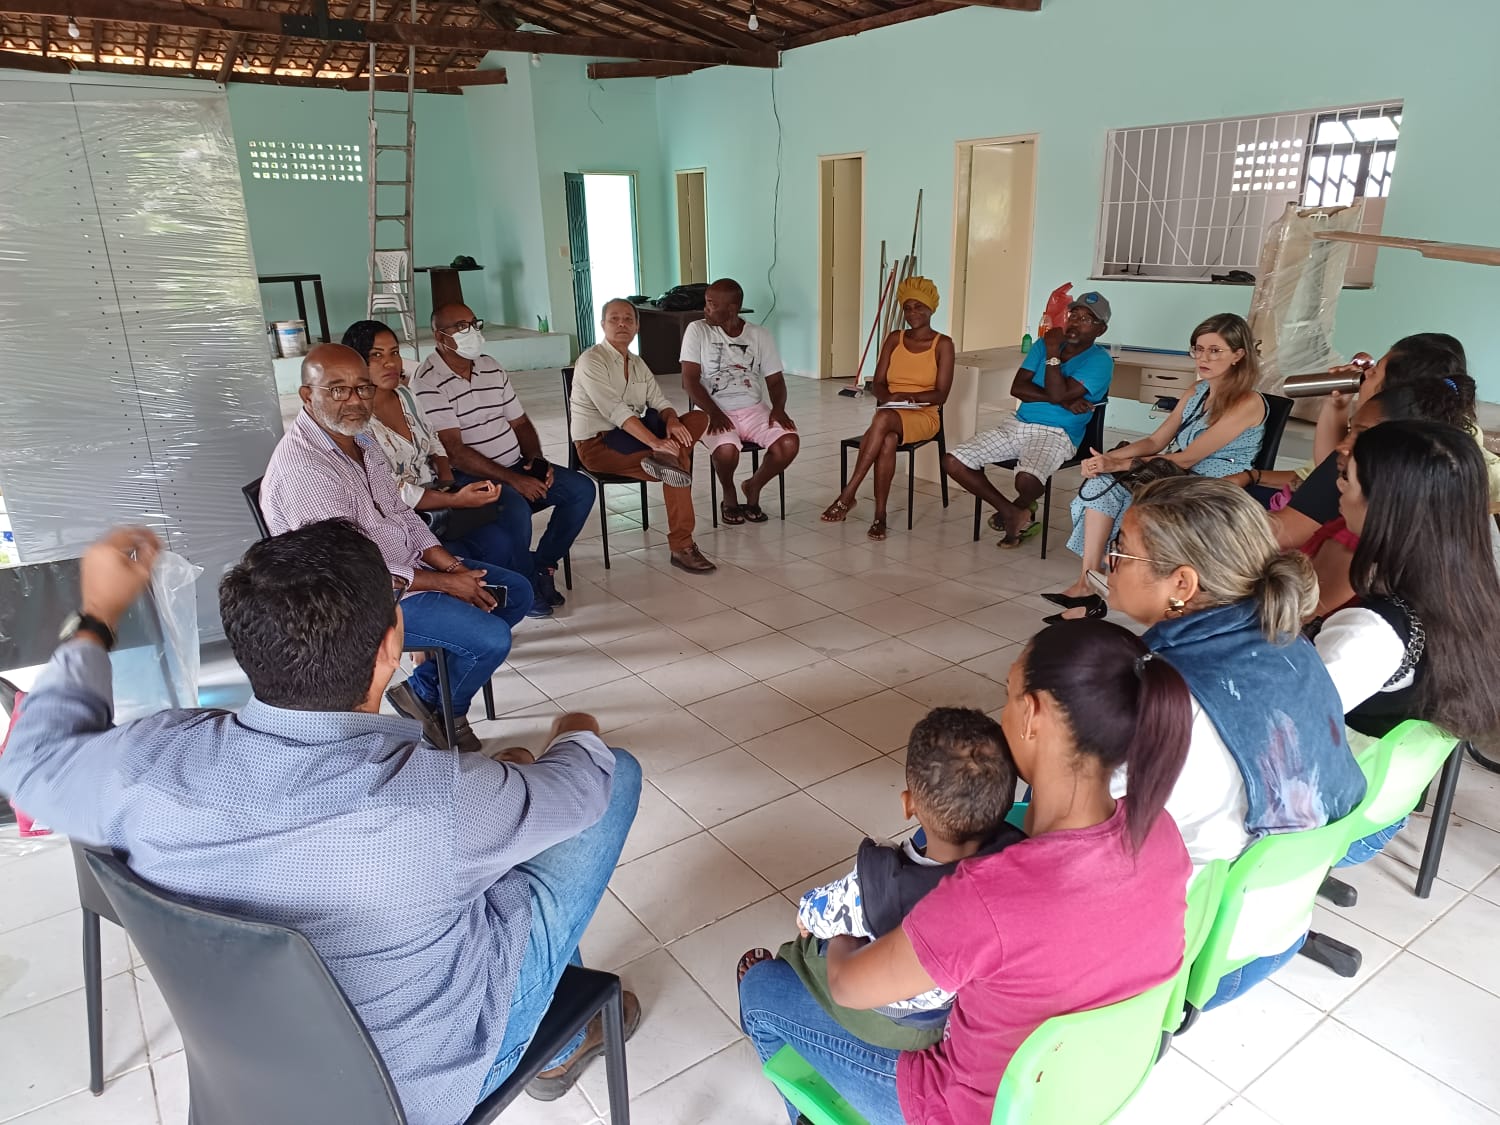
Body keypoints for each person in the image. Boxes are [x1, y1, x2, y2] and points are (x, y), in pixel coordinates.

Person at [0, 519, 642, 1125]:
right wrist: (577, 733)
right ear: (392, 643)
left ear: (248, 649)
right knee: (615, 777)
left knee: (496, 820)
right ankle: (557, 1052)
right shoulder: (441, 800)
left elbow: (28, 762)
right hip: (422, 1091)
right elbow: (583, 791)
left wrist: (98, 615)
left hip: (249, 1073)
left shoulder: (149, 762)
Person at [738, 619, 1192, 1125]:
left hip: (964, 1110)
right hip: (1085, 1092)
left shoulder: (989, 894)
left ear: (1032, 714)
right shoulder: (1162, 833)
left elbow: (846, 986)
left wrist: (845, 926)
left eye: (1008, 695)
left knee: (761, 988)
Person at [1103, 477, 1367, 1007]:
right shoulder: (1290, 642)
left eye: (1121, 551)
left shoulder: (1164, 696)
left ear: (1181, 583)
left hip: (1188, 952)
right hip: (1277, 928)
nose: (1110, 563)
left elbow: (1084, 832)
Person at [260, 343, 532, 752]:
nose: (355, 400)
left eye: (363, 388)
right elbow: (350, 571)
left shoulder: (361, 439)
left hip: (404, 570)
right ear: (307, 395)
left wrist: (451, 567)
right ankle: (447, 709)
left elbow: (401, 513)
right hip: (356, 600)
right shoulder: (307, 470)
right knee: (490, 638)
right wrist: (444, 584)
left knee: (516, 592)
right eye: (338, 389)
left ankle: (424, 693)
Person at [738, 708, 1024, 1051]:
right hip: (956, 1010)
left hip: (899, 1023)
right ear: (1005, 801)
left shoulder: (881, 884)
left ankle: (778, 995)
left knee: (805, 949)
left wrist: (807, 913)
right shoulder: (1017, 857)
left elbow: (820, 911)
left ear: (909, 804)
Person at [1048, 313, 1267, 621]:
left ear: (1238, 354)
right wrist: (1110, 459)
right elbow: (1156, 440)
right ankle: (1089, 581)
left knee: (1127, 491)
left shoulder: (1248, 402)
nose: (1203, 358)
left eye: (1215, 350)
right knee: (1100, 483)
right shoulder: (1197, 391)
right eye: (1198, 349)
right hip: (1176, 472)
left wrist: (1122, 463)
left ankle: (1114, 589)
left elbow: (1189, 458)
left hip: (1212, 482)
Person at [341, 320, 550, 617]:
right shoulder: (358, 422)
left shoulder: (405, 396)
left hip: (439, 498)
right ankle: (470, 613)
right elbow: (391, 491)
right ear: (356, 363)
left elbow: (434, 440)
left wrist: (448, 482)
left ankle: (498, 601)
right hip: (405, 517)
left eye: (394, 352)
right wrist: (454, 500)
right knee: (480, 545)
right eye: (377, 355)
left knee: (501, 535)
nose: (390, 363)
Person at [1314, 420, 1500, 746]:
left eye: (1349, 479)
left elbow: (1281, 718)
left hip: (1326, 768)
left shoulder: (1369, 633)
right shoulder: (1470, 599)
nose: (1340, 487)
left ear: (1385, 504)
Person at [415, 303, 595, 613]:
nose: (472, 332)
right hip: (470, 477)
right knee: (515, 509)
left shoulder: (490, 366)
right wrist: (515, 480)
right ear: (440, 336)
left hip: (515, 465)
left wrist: (537, 463)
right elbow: (455, 452)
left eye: (474, 323)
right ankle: (524, 587)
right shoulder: (427, 381)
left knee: (581, 490)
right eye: (461, 327)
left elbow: (520, 423)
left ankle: (542, 565)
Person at [1266, 332, 1500, 549]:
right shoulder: (1443, 444)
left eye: (1376, 371)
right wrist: (1337, 405)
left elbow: (1283, 533)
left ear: (1392, 391)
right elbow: (1329, 475)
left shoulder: (1375, 455)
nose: (1365, 374)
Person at [1298, 374, 1480, 618]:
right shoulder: (1435, 539)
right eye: (1351, 430)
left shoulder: (1357, 544)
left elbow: (1294, 617)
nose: (1343, 445)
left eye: (1364, 436)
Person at [943, 292, 1114, 546]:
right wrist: (1064, 400)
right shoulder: (1043, 344)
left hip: (1057, 433)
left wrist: (1053, 354)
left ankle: (1020, 505)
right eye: (1073, 315)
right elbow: (1018, 388)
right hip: (1018, 424)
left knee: (1026, 479)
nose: (1076, 323)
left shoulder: (1100, 361)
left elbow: (1054, 392)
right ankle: (1011, 511)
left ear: (1101, 330)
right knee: (953, 461)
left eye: (1086, 319)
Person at [570, 299, 716, 574]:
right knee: (677, 466)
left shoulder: (637, 363)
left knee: (698, 419)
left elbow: (659, 401)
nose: (622, 324)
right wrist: (656, 442)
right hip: (598, 445)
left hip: (635, 437)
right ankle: (682, 546)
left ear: (637, 326)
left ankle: (664, 458)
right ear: (602, 325)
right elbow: (615, 410)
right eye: (614, 319)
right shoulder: (591, 360)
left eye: (628, 319)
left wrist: (672, 420)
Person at [820, 277, 955, 541]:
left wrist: (911, 398)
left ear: (931, 309)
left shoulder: (943, 344)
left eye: (919, 307)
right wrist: (890, 396)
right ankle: (880, 516)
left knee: (882, 419)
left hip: (924, 415)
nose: (913, 313)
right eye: (907, 308)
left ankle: (848, 494)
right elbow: (878, 383)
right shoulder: (895, 339)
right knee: (888, 439)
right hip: (892, 410)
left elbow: (942, 394)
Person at [680, 278, 799, 525]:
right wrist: (713, 412)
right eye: (706, 303)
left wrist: (778, 409)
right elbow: (689, 381)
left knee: (789, 442)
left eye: (712, 304)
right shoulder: (697, 330)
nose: (706, 309)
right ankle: (729, 492)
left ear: (732, 308)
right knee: (726, 449)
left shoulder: (759, 334)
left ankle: (753, 486)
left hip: (753, 409)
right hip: (712, 410)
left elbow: (775, 380)